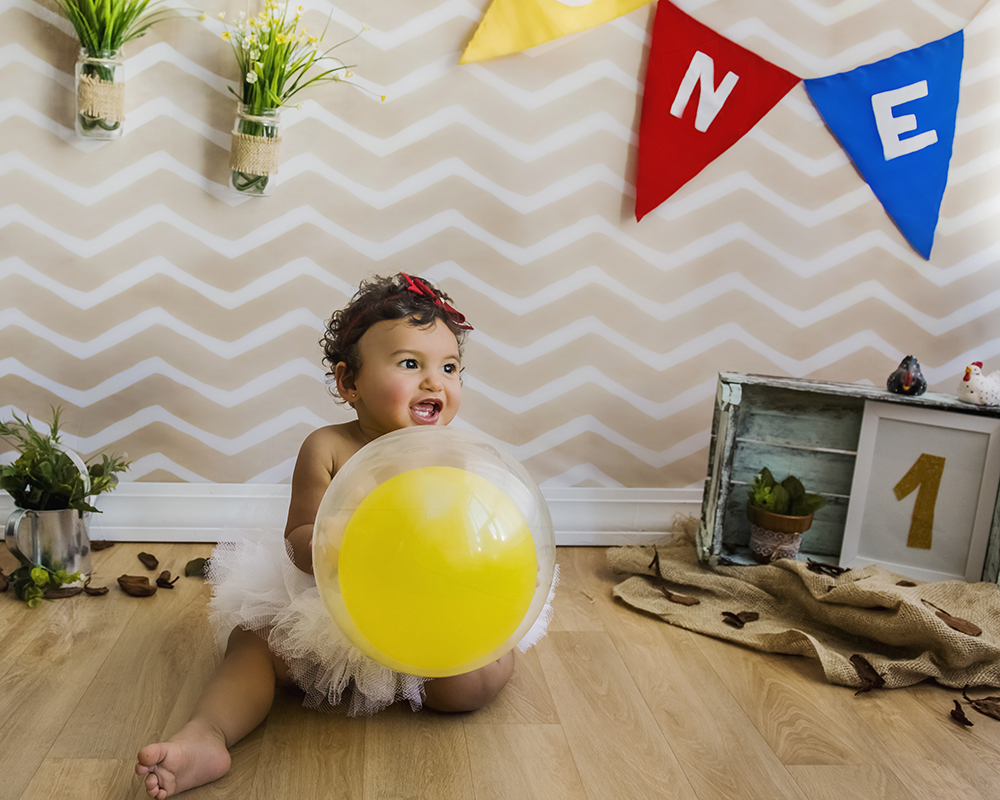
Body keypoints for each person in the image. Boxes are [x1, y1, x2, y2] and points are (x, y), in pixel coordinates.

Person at [135, 273, 552, 799]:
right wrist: (333, 538)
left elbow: (476, 535)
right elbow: (299, 538)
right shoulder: (329, 447)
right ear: (348, 383)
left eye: (449, 368)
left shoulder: (453, 454)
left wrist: (500, 573)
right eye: (410, 364)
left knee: (475, 683)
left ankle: (438, 674)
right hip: (331, 608)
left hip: (424, 613)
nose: (434, 382)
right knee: (255, 646)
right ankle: (207, 734)